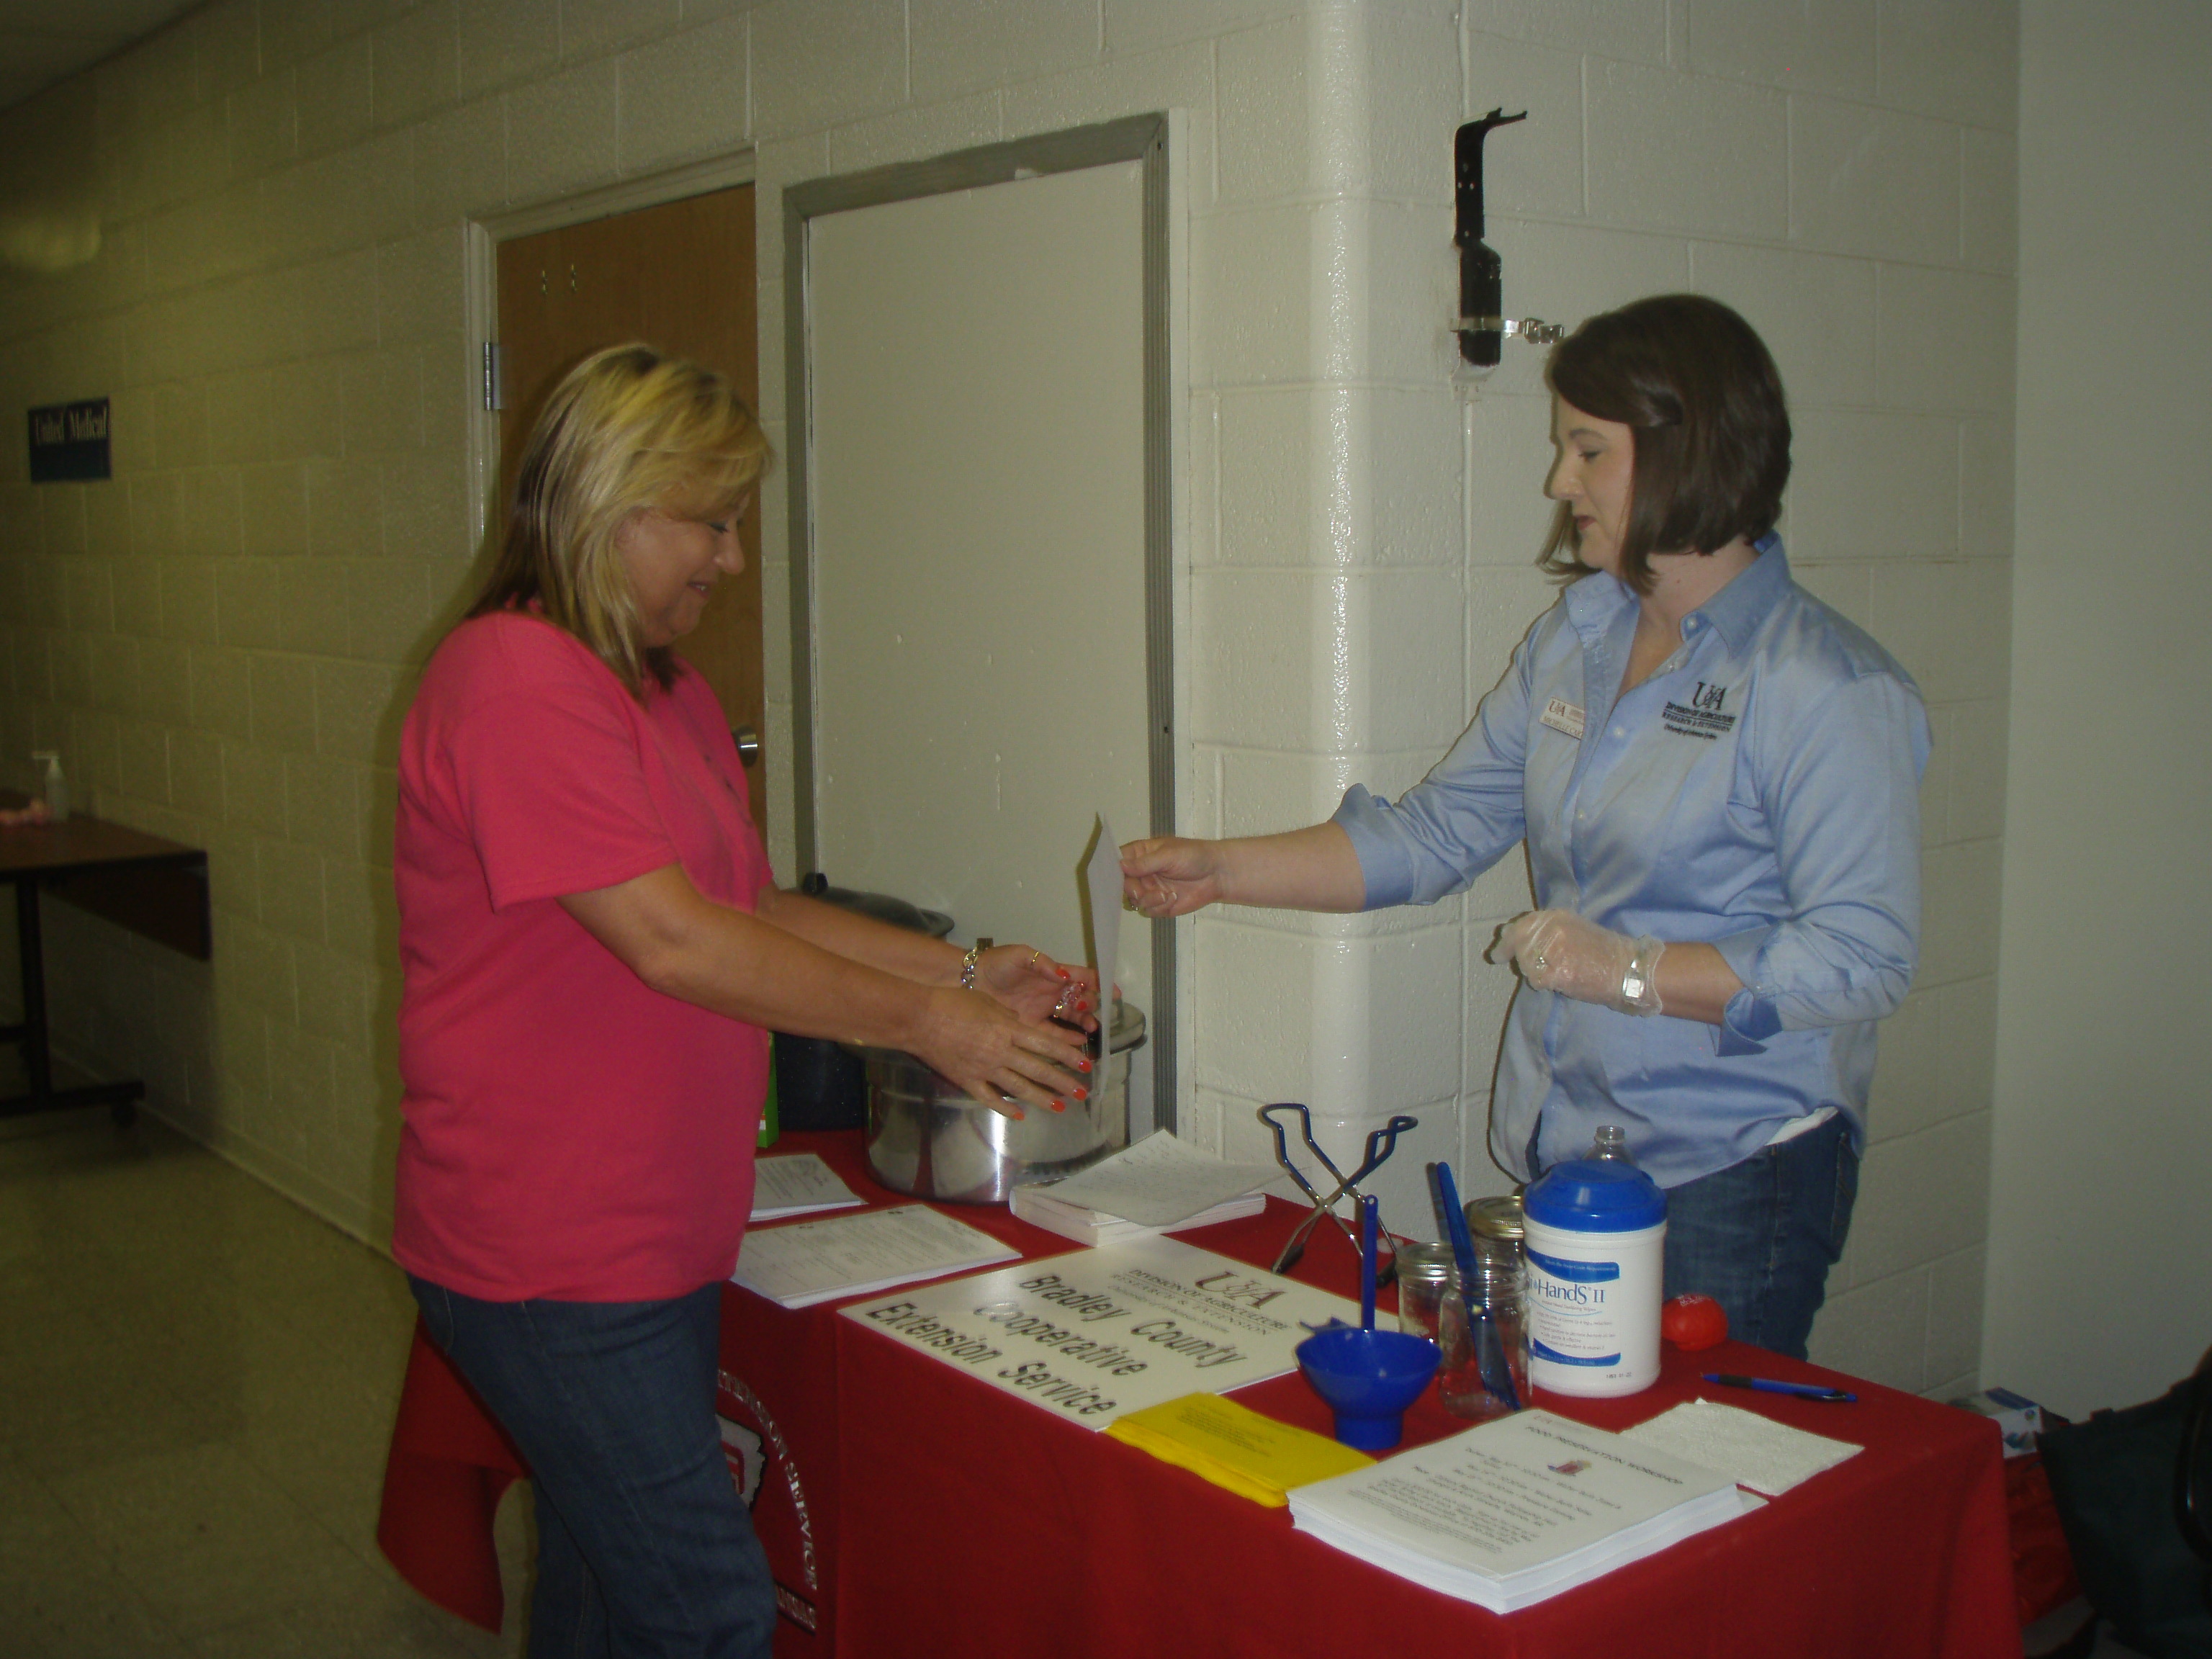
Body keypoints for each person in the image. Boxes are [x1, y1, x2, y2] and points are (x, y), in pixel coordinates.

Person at [392, 343, 1095, 1657]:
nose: (727, 557)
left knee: (608, 1591)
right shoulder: (513, 677)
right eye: (707, 523)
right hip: (547, 1248)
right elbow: (670, 944)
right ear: (608, 504)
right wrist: (929, 1028)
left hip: (645, 1230)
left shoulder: (661, 691)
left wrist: (959, 970)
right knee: (708, 1608)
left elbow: (750, 910)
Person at [1123, 295, 1927, 1360]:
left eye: (1588, 451)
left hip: (1730, 1174)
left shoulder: (1824, 685)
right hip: (1567, 1149)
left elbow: (1863, 959)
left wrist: (1629, 972)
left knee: (1690, 1486)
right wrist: (1221, 868)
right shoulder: (1580, 635)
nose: (1559, 483)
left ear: (1689, 450)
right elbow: (1438, 833)